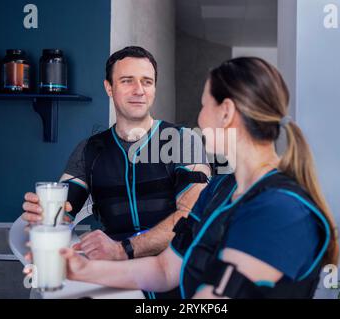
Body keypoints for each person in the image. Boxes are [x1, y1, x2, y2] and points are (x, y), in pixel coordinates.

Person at [49, 56, 340, 299]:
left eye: (203, 105)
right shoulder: (218, 190)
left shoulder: (280, 209)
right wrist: (76, 268)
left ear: (225, 112)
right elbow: (164, 270)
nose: (199, 118)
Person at [21, 46, 211, 299]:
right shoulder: (89, 149)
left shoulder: (182, 140)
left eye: (147, 82)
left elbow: (191, 218)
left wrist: (123, 249)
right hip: (115, 281)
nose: (139, 90)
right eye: (127, 81)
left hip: (175, 277)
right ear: (109, 88)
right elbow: (62, 210)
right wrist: (45, 216)